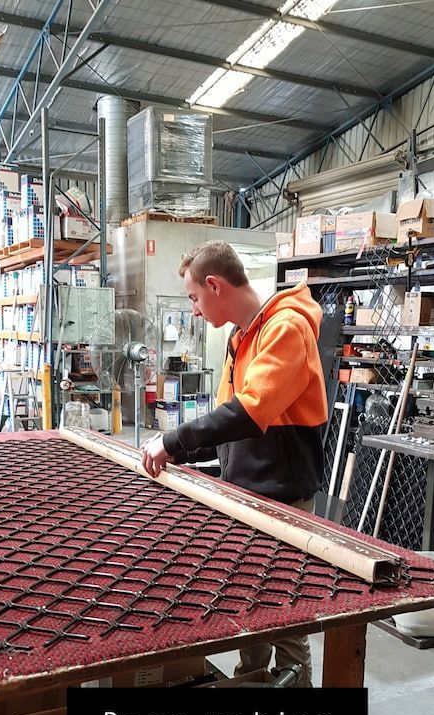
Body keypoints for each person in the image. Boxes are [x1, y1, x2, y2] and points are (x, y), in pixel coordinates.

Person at [140, 240, 328, 687]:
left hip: (284, 494)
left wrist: (173, 440)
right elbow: (228, 423)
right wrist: (179, 453)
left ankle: (296, 703)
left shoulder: (286, 329)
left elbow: (249, 412)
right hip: (247, 491)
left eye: (193, 298)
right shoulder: (240, 337)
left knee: (283, 608)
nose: (195, 310)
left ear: (214, 285)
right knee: (252, 600)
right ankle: (252, 683)